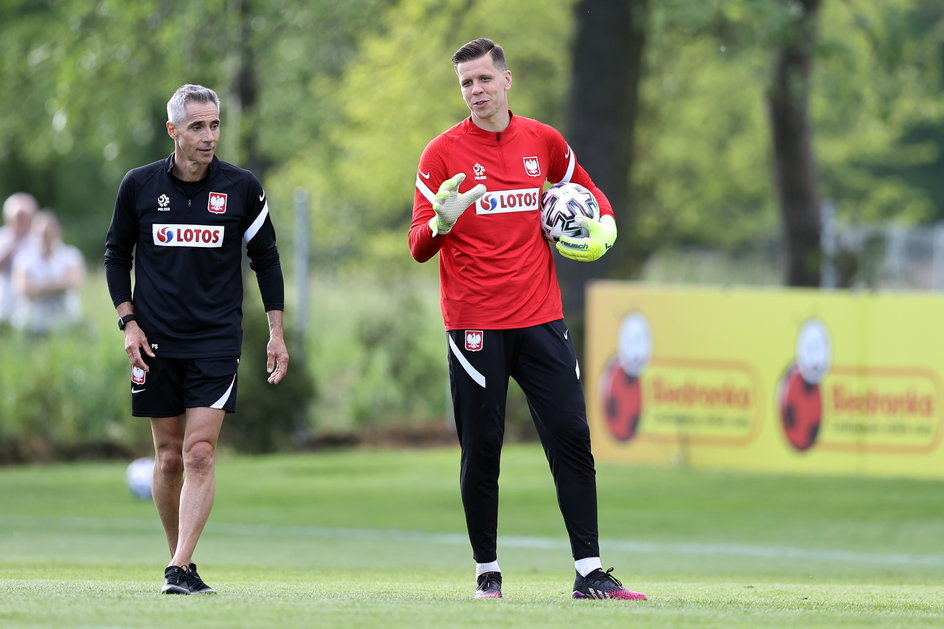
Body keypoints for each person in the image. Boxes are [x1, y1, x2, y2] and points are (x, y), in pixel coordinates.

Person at [408, 38, 644, 601]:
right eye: (466, 83)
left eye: (485, 79)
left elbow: (586, 192)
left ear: (507, 80)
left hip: (542, 319)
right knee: (482, 447)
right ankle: (486, 572)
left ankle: (590, 573)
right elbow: (418, 245)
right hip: (474, 326)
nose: (476, 92)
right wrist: (442, 220)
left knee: (571, 437)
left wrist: (603, 226)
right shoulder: (440, 156)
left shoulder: (544, 141)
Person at [103, 84, 289, 595]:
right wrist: (128, 323)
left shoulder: (243, 187)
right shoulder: (138, 186)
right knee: (167, 457)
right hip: (154, 343)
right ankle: (181, 563)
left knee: (200, 452)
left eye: (215, 125)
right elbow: (116, 255)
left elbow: (267, 259)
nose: (209, 136)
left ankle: (178, 566)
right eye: (197, 126)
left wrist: (275, 331)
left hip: (215, 341)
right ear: (174, 131)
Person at [11, 210, 86, 335]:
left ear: (58, 232)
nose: (45, 238)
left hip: (66, 321)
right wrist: (58, 283)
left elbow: (73, 281)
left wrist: (39, 285)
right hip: (33, 323)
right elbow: (23, 288)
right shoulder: (24, 258)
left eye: (48, 233)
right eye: (40, 233)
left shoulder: (71, 255)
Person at [0, 192, 39, 326]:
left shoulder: (40, 240)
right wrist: (13, 242)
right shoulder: (2, 238)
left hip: (32, 310)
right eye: (18, 217)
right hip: (4, 304)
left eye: (25, 217)